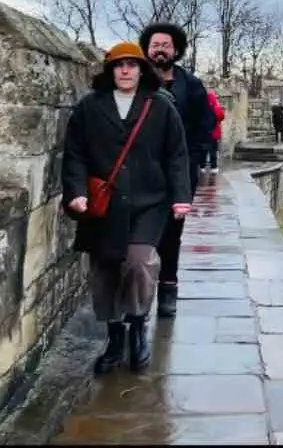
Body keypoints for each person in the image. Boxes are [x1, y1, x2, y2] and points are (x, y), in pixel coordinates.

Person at [61, 41, 192, 375]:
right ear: (110, 70)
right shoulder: (90, 107)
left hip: (149, 202)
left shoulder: (160, 106)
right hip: (103, 205)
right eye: (119, 65)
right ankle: (114, 336)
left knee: (139, 263)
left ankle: (137, 327)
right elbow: (75, 153)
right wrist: (75, 192)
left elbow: (176, 155)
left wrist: (181, 196)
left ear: (140, 69)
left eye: (132, 65)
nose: (125, 70)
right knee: (104, 270)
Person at [138, 22, 215, 319]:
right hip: (141, 172)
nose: (160, 49)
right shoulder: (137, 82)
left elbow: (205, 126)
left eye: (166, 45)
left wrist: (192, 159)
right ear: (147, 48)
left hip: (178, 173)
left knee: (172, 234)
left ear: (176, 50)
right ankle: (138, 297)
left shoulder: (191, 85)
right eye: (155, 44)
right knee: (138, 236)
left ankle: (168, 288)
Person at [206, 88, 227, 173]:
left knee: (203, 149)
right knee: (213, 149)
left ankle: (202, 166)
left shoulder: (204, 104)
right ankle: (213, 167)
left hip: (204, 131)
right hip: (214, 131)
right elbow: (221, 116)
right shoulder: (215, 105)